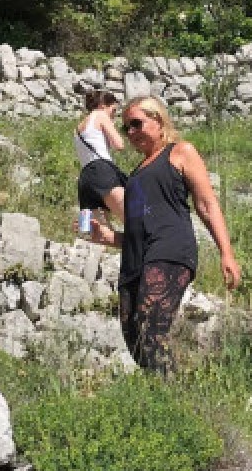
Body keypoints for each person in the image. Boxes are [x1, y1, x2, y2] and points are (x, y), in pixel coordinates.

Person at [88, 96, 241, 373]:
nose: (131, 133)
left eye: (137, 124)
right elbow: (137, 230)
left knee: (152, 326)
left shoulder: (180, 152)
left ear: (158, 120)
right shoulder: (134, 176)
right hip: (135, 262)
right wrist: (108, 237)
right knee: (134, 338)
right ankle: (163, 398)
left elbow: (207, 205)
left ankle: (173, 400)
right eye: (126, 129)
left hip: (170, 250)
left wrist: (226, 252)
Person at [74, 90, 126, 224]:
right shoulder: (101, 115)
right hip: (102, 171)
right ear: (103, 105)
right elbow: (119, 145)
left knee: (91, 230)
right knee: (134, 216)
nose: (113, 116)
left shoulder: (78, 128)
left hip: (85, 178)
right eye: (113, 110)